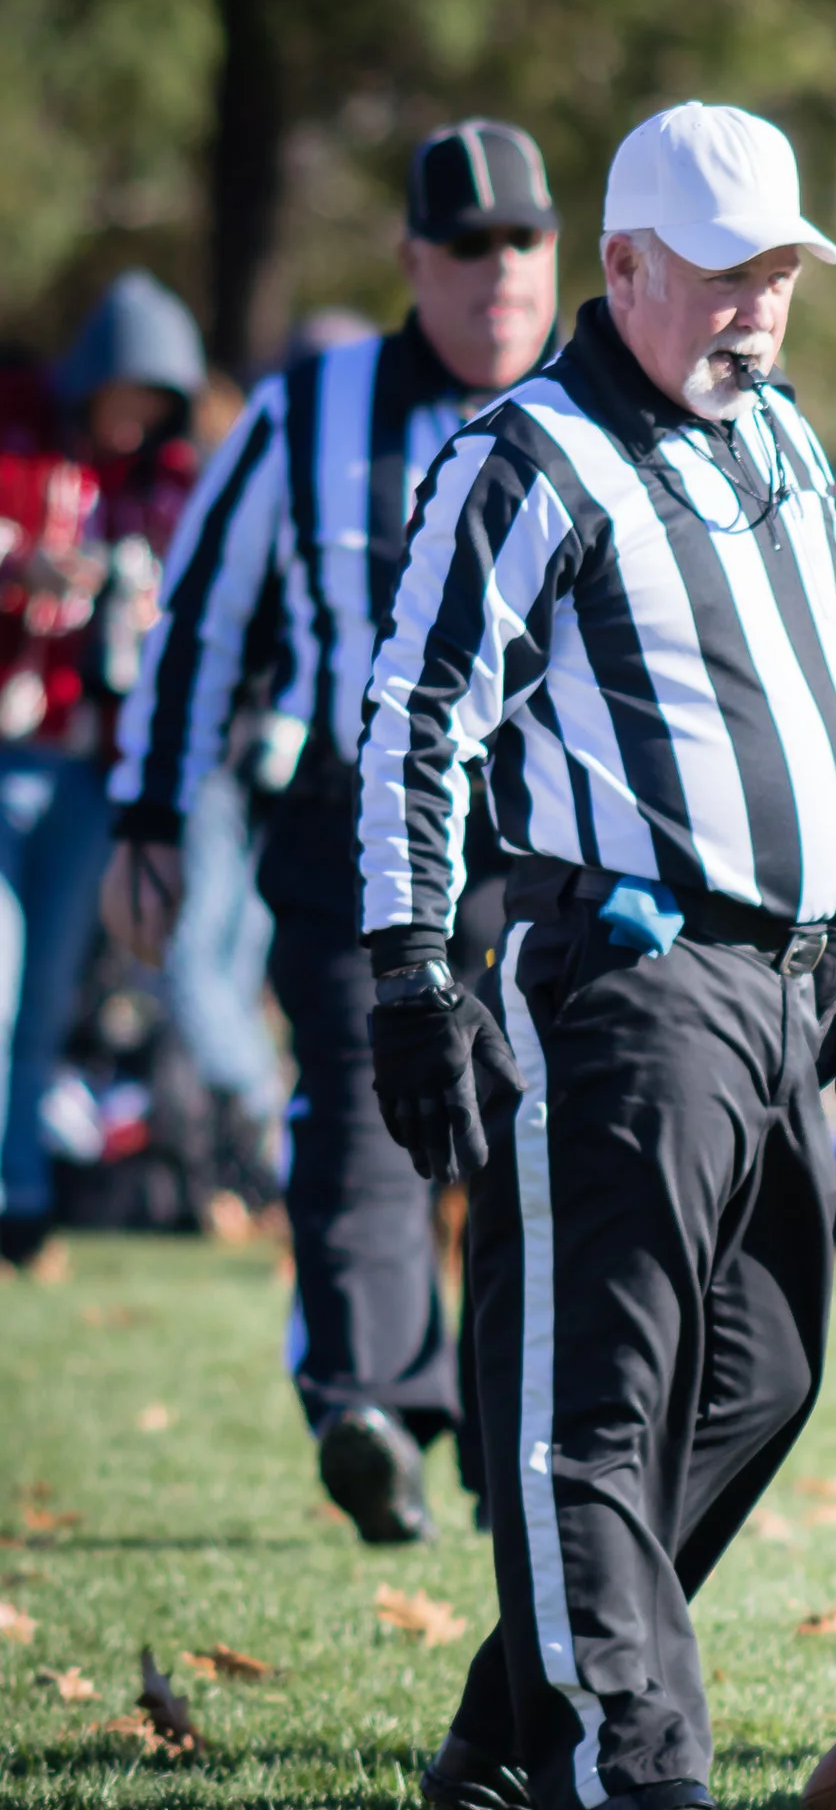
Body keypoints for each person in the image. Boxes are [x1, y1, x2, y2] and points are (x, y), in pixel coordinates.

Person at [364, 100, 836, 1810]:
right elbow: (418, 716)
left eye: (781, 276)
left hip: (779, 985)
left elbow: (816, 696)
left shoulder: (784, 439)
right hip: (625, 979)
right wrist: (405, 969)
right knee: (600, 1391)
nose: (757, 310)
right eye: (724, 277)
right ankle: (629, 1776)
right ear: (626, 269)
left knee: (763, 1372)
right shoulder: (529, 455)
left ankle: (521, 1717)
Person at [104, 121, 562, 1543]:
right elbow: (200, 620)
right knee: (364, 1116)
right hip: (354, 828)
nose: (500, 274)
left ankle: (512, 1439)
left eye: (524, 242)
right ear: (414, 260)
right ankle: (370, 1404)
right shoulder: (309, 412)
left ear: (560, 256)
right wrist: (149, 815)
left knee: (534, 1141)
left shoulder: (604, 405)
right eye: (469, 245)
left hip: (544, 840)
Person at [0, 271, 206, 1270]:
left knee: (44, 998)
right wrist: (21, 569)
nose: (133, 419)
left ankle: (24, 1202)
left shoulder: (163, 485)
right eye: (124, 395)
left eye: (151, 403)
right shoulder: (20, 440)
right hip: (7, 748)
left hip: (90, 771)